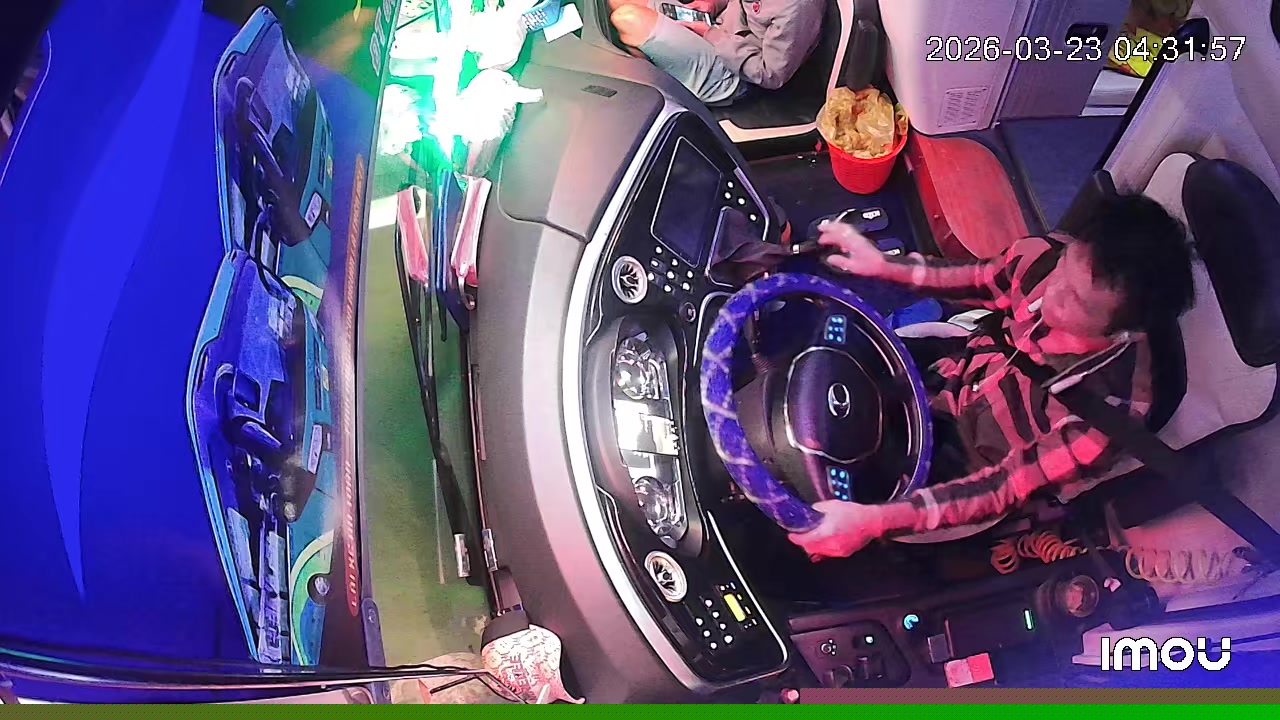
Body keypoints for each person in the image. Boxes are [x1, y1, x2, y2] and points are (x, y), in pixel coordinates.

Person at [788, 193, 1197, 560]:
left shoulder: (1105, 418)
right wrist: (884, 266)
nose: (1049, 294)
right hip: (955, 370)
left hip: (971, 467)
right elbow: (982, 279)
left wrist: (873, 521)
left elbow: (1004, 487)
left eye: (1077, 302)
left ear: (1124, 332)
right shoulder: (1044, 258)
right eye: (1064, 269)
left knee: (852, 507)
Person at [608, 0, 824, 106]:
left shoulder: (798, 8)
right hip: (718, 28)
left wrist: (711, 35)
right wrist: (713, 4)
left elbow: (770, 75)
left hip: (736, 73)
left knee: (627, 19)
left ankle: (661, 101)